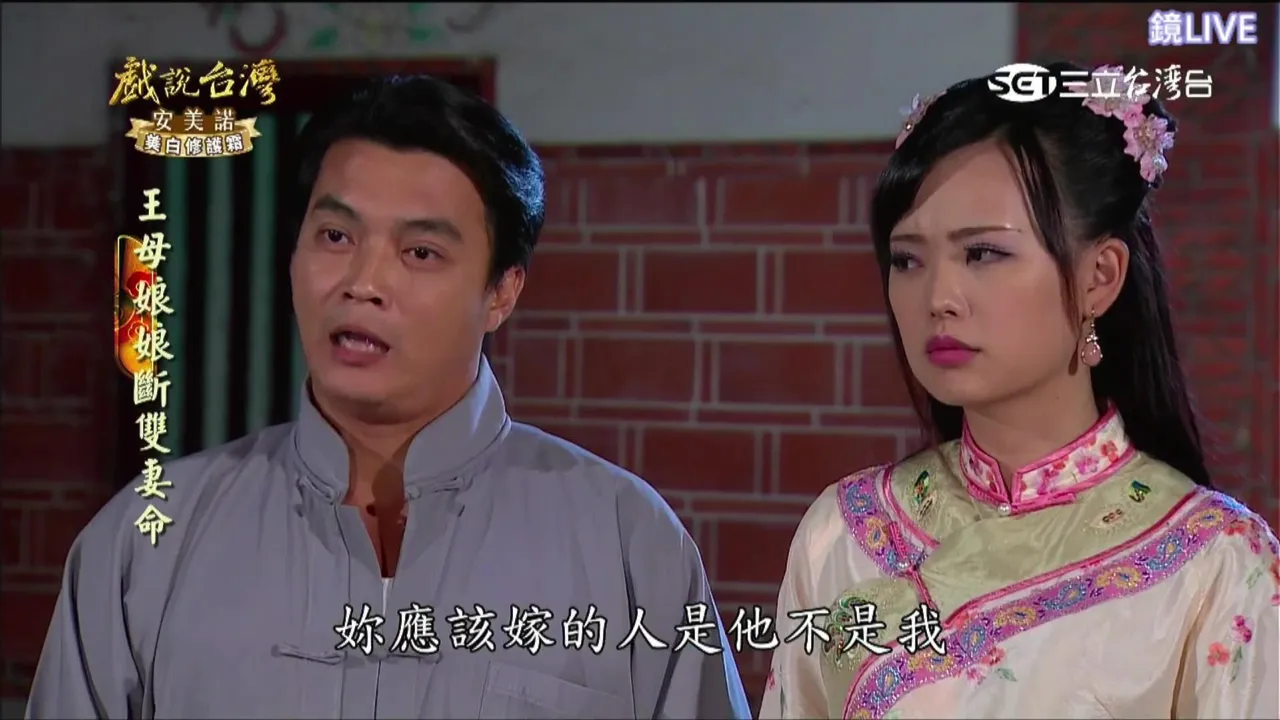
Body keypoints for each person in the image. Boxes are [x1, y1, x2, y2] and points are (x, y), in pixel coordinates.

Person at [27, 75, 751, 720]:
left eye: (420, 252)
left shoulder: (626, 542)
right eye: (335, 235)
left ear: (501, 292)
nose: (363, 283)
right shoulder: (146, 543)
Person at [759, 62, 1278, 719]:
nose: (938, 298)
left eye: (983, 254)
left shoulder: (1215, 565)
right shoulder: (843, 532)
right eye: (907, 260)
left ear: (1099, 277)